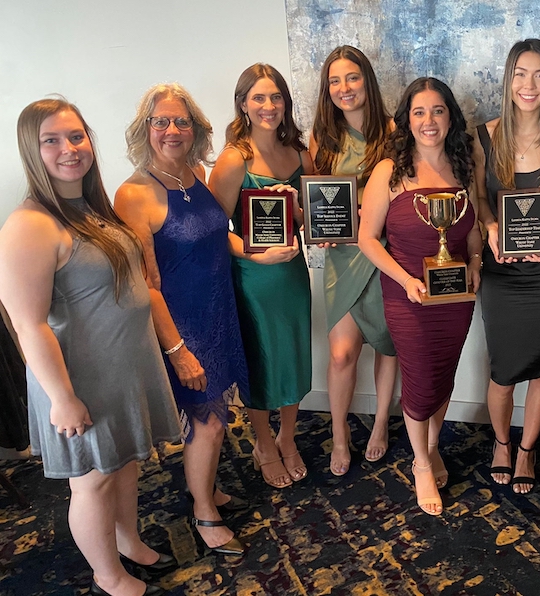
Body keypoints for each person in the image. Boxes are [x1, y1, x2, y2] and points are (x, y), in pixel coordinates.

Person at [0, 98, 181, 596]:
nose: (68, 149)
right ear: (31, 150)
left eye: (76, 136)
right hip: (80, 377)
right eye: (51, 140)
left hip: (122, 367)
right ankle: (107, 575)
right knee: (93, 481)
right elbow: (28, 323)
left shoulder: (87, 207)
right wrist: (62, 397)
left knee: (124, 464)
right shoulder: (29, 224)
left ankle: (127, 542)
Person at [115, 84, 249, 555]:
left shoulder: (195, 174)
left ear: (195, 129)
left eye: (181, 122)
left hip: (220, 311)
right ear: (144, 129)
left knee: (217, 413)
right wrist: (177, 350)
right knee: (207, 422)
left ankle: (204, 487)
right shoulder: (133, 194)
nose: (172, 130)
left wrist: (257, 250)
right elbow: (145, 285)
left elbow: (217, 238)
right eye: (161, 122)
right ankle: (204, 514)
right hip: (183, 327)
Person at [359, 77, 483, 516]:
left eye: (437, 111)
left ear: (450, 116)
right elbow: (368, 239)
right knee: (419, 377)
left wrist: (474, 262)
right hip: (407, 295)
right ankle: (420, 464)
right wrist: (406, 279)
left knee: (444, 372)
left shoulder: (465, 165)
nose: (428, 121)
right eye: (418, 112)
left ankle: (432, 445)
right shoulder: (389, 171)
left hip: (456, 296)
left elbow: (474, 225)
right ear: (405, 120)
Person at [473, 39, 540, 494]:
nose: (529, 85)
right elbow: (479, 198)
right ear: (508, 79)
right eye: (520, 73)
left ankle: (527, 449)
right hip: (501, 270)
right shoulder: (484, 136)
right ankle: (501, 442)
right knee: (502, 370)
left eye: (539, 75)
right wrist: (492, 227)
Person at [208, 64, 312, 489]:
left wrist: (296, 207)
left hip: (291, 273)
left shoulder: (301, 155)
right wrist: (257, 255)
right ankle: (264, 444)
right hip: (253, 280)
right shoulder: (235, 159)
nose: (269, 106)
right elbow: (213, 235)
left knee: (293, 356)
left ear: (285, 103)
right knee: (262, 363)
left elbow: (308, 220)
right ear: (243, 104)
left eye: (276, 98)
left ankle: (288, 438)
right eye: (259, 98)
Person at [309, 46, 398, 476]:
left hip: (384, 256)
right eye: (335, 81)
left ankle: (381, 423)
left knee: (388, 345)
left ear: (368, 81)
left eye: (353, 78)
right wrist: (317, 226)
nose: (345, 88)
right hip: (343, 258)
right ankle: (340, 434)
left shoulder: (396, 132)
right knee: (342, 354)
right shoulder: (321, 138)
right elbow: (316, 201)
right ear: (328, 90)